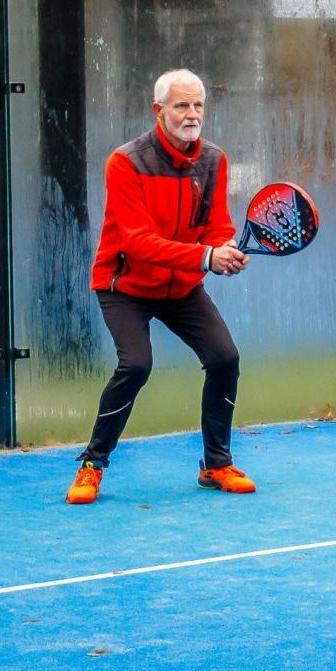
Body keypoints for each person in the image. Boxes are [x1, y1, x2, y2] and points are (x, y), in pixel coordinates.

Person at [65, 69, 256, 504]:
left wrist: (224, 249)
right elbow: (138, 242)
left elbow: (216, 225)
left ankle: (216, 464)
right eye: (181, 105)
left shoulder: (214, 160)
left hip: (181, 287)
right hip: (124, 285)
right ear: (159, 110)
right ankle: (92, 464)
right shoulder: (125, 162)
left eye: (198, 105)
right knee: (136, 365)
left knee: (225, 358)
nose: (192, 115)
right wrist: (206, 257)